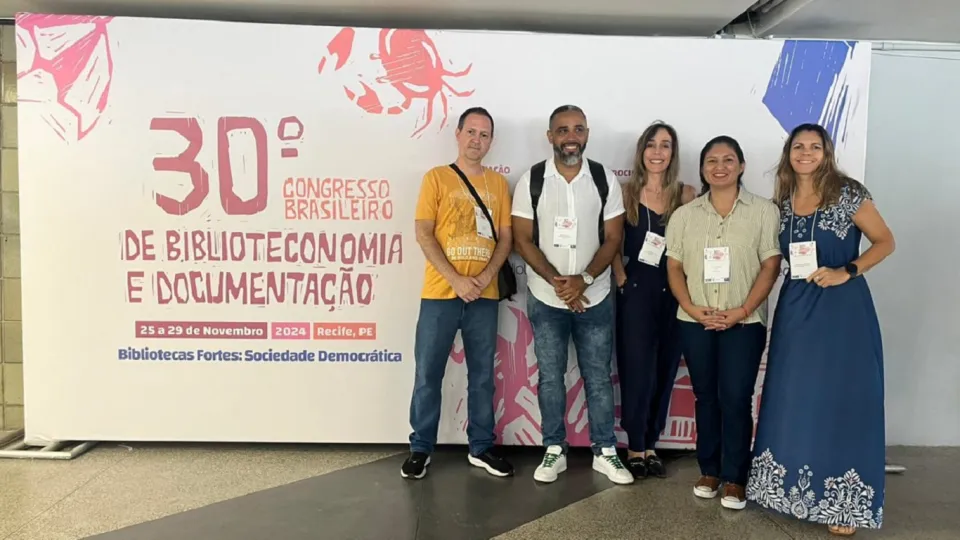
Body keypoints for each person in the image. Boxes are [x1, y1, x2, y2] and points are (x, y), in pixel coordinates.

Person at [746, 124, 895, 537]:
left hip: (842, 310)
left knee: (842, 398)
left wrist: (848, 270)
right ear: (788, 153)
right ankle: (787, 493)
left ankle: (843, 504)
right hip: (796, 308)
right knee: (794, 396)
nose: (806, 153)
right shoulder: (782, 201)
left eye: (815, 146)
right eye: (799, 146)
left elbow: (885, 241)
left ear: (827, 153)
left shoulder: (848, 193)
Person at [512, 104, 633, 486]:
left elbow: (613, 238)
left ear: (587, 134)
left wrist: (584, 278)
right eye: (562, 130)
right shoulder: (532, 179)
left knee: (598, 377)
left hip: (595, 296)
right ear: (550, 136)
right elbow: (522, 239)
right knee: (550, 377)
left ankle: (605, 451)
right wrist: (559, 283)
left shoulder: (603, 179)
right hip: (546, 298)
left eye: (578, 129)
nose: (570, 137)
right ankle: (554, 449)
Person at [665, 135, 781, 509]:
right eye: (711, 161)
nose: (720, 167)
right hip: (695, 319)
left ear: (741, 166)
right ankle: (709, 471)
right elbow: (674, 267)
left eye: (728, 160)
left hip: (744, 322)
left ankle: (735, 478)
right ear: (702, 169)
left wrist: (743, 310)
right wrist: (691, 307)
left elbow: (770, 265)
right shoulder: (684, 215)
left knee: (736, 397)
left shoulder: (764, 211)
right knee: (706, 397)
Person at [402, 107, 515, 480]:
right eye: (471, 132)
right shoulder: (436, 178)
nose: (476, 140)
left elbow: (506, 239)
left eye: (484, 134)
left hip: (485, 294)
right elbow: (424, 233)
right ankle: (421, 448)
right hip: (440, 293)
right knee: (428, 372)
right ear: (458, 134)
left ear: (491, 141)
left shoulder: (498, 184)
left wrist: (483, 278)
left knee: (482, 375)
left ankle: (481, 447)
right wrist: (456, 279)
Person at [612, 121, 696, 479]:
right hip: (636, 290)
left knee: (665, 368)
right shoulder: (625, 193)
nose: (657, 152)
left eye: (665, 145)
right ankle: (635, 446)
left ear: (673, 153)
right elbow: (611, 241)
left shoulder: (686, 195)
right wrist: (621, 278)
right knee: (637, 369)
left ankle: (651, 445)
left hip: (675, 290)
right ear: (641, 151)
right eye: (651, 144)